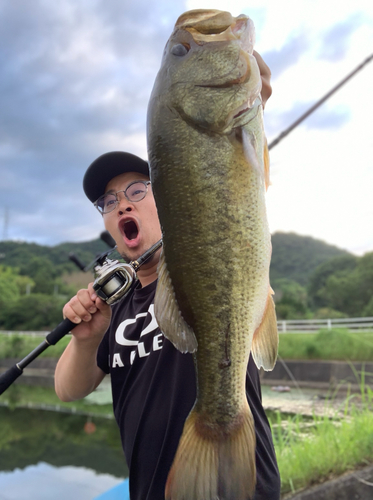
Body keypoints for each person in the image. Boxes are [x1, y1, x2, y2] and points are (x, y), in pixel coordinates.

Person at [55, 52, 280, 500]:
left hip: (240, 484)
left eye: (138, 190)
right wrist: (85, 338)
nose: (123, 204)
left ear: (170, 196)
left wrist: (244, 111)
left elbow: (231, 193)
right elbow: (67, 389)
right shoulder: (115, 307)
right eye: (109, 200)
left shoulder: (210, 265)